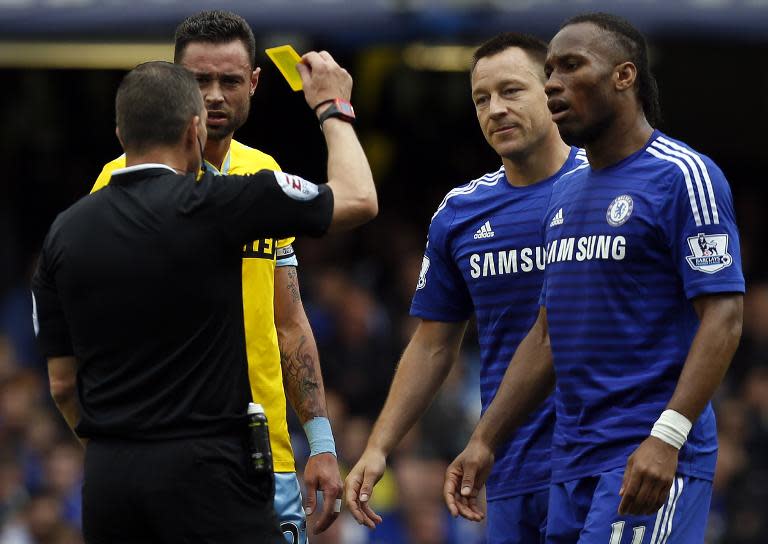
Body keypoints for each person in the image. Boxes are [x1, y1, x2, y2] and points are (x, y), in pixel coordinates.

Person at [32, 58, 376, 544]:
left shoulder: (62, 235)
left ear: (119, 132)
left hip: (111, 480)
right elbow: (359, 198)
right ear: (194, 131)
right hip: (210, 471)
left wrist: (114, 450)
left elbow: (63, 385)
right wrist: (331, 107)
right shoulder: (221, 202)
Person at [444, 12, 744, 543]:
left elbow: (723, 315)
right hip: (572, 461)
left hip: (646, 457)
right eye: (550, 71)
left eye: (571, 67)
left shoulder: (683, 175)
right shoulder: (566, 192)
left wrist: (668, 438)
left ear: (623, 76)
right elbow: (547, 333)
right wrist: (485, 439)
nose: (554, 83)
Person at [90, 11, 343, 541]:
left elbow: (289, 321)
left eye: (229, 81)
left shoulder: (265, 175)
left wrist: (320, 443)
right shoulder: (116, 182)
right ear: (174, 81)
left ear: (253, 82)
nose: (214, 96)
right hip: (168, 456)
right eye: (199, 80)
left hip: (266, 458)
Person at [345, 33, 586, 542]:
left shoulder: (609, 187)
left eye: (512, 91)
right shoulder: (460, 214)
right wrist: (378, 447)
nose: (495, 109)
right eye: (482, 98)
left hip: (600, 455)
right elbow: (433, 343)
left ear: (553, 91)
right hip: (507, 463)